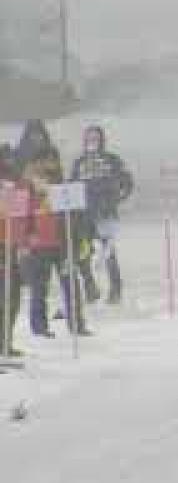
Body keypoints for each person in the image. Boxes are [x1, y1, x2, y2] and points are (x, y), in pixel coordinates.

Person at [19, 148, 91, 338]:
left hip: (62, 244)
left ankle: (77, 324)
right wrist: (24, 239)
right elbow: (19, 216)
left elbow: (76, 214)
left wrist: (78, 237)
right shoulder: (26, 187)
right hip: (38, 245)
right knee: (39, 288)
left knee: (71, 285)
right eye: (45, 161)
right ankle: (39, 327)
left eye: (54, 161)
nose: (50, 165)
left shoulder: (63, 185)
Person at [71, 124, 133, 304]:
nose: (92, 141)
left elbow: (126, 181)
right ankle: (90, 287)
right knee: (83, 252)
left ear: (101, 140)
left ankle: (115, 289)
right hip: (84, 215)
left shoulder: (112, 160)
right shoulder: (80, 162)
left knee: (108, 252)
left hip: (105, 213)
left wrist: (118, 197)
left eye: (95, 138)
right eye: (89, 138)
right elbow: (72, 185)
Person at [0, 150, 26, 357]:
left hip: (10, 245)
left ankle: (5, 342)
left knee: (12, 297)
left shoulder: (17, 184)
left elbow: (20, 214)